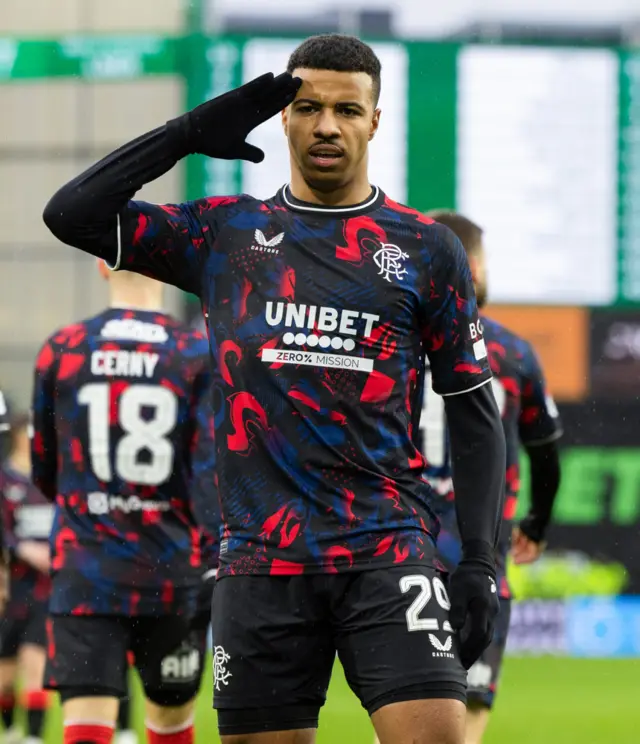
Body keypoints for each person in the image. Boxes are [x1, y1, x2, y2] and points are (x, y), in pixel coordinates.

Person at [42, 33, 506, 744]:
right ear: (282, 118)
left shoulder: (424, 249)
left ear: (374, 121)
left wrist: (480, 560)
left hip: (386, 552)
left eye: (347, 110)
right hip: (261, 565)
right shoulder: (226, 234)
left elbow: (476, 416)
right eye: (308, 105)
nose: (326, 125)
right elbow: (71, 212)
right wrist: (189, 133)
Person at [30, 260, 215, 744]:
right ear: (164, 265)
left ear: (99, 265)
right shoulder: (194, 351)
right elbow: (209, 474)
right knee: (170, 723)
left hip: (85, 566)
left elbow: (44, 469)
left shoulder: (64, 348)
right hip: (171, 567)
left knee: (86, 728)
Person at [420, 210, 563, 744]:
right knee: (465, 723)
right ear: (474, 266)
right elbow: (546, 455)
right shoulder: (511, 352)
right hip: (479, 561)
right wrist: (538, 522)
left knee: (401, 710)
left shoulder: (396, 346)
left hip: (400, 556)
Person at [0, 413, 52, 744]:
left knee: (36, 665)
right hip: (11, 588)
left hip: (45, 589)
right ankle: (11, 730)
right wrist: (21, 549)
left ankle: (33, 738)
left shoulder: (51, 477)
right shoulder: (5, 480)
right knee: (5, 678)